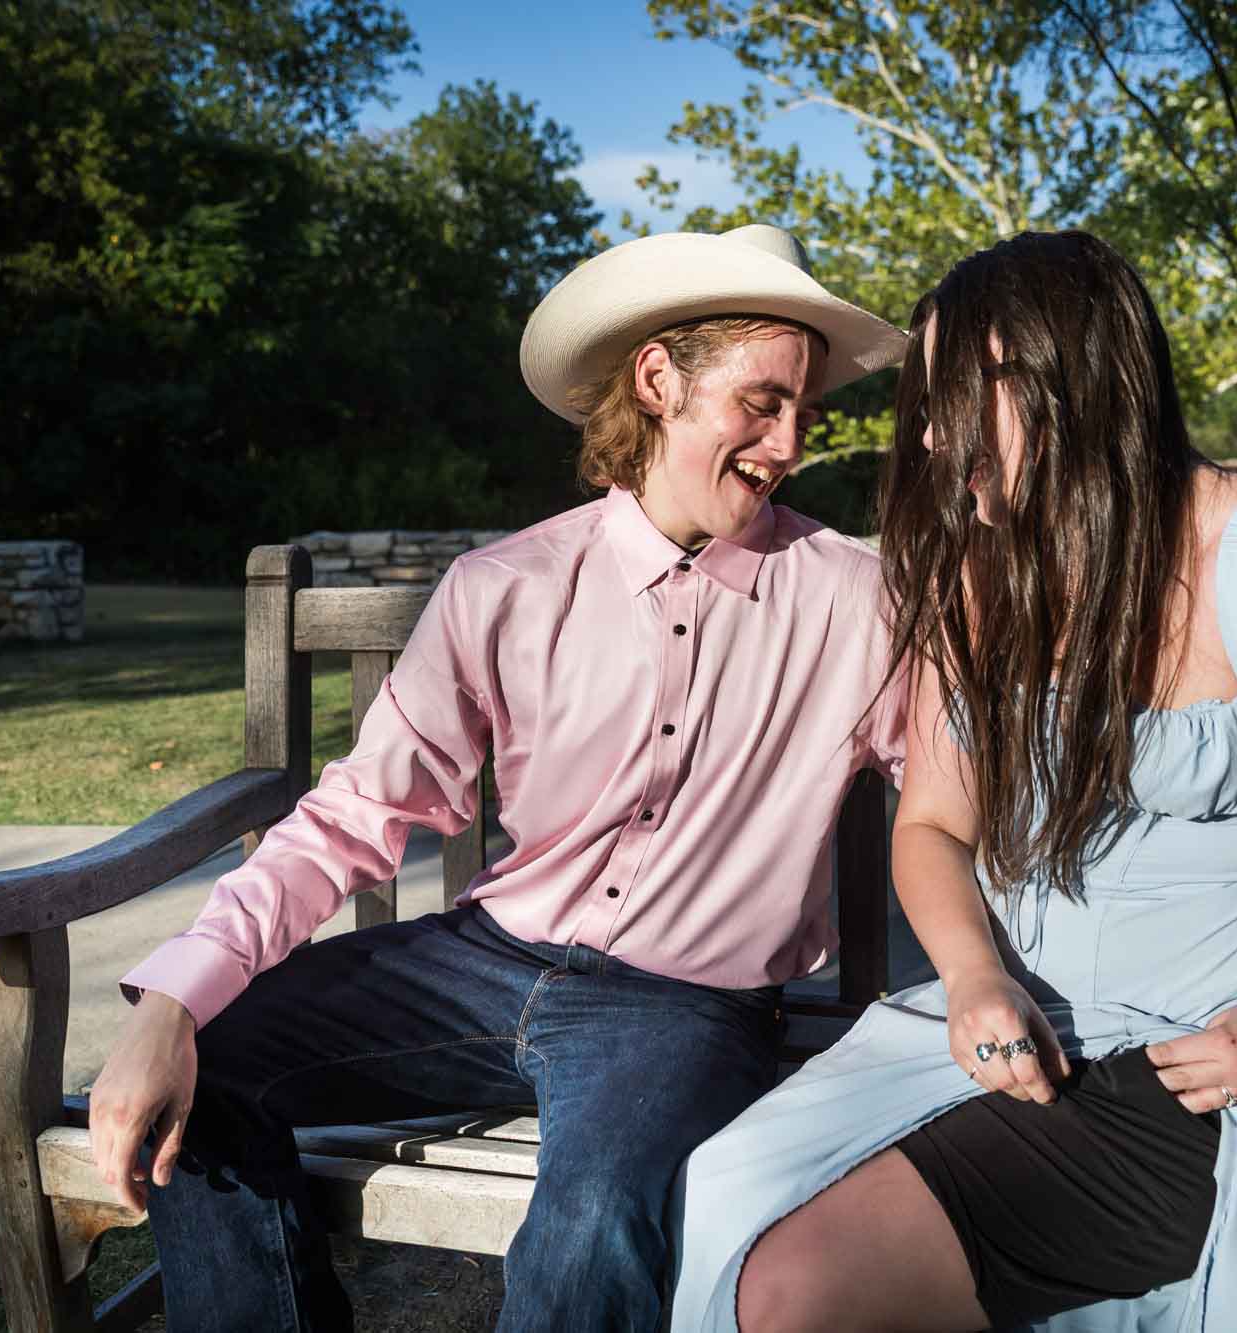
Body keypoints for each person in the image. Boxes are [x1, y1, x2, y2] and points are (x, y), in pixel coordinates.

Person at [668, 230, 1237, 1332]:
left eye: (953, 399)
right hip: (1011, 1032)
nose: (937, 437)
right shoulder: (979, 571)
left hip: (1209, 1069)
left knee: (795, 1289)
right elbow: (934, 824)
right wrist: (969, 977)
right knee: (727, 1192)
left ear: (1062, 378)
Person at [83, 223, 913, 1332]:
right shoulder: (505, 587)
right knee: (209, 1069)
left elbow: (966, 796)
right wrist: (173, 1001)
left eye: (804, 412)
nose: (787, 441)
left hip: (681, 1005)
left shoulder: (859, 598)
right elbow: (359, 811)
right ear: (659, 381)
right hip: (481, 961)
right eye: (761, 402)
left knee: (593, 1227)